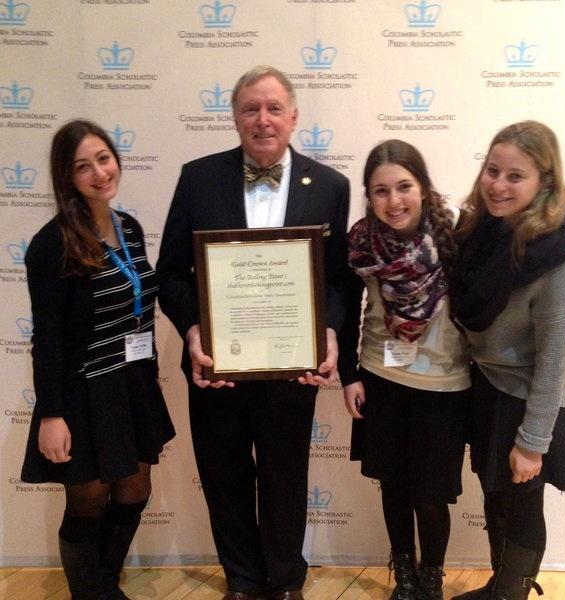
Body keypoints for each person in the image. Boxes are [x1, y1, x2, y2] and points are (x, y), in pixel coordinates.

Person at [156, 65, 350, 600]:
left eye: (273, 109)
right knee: (224, 476)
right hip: (219, 363)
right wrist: (194, 330)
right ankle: (242, 581)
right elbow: (171, 272)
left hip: (294, 365)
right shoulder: (199, 176)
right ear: (235, 116)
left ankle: (286, 582)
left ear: (293, 118)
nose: (262, 120)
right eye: (250, 109)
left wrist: (329, 332)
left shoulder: (331, 185)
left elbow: (337, 281)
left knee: (287, 478)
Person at [21, 119, 175, 600]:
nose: (98, 172)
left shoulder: (128, 227)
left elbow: (140, 308)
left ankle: (103, 584)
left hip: (131, 383)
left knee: (134, 490)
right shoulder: (53, 243)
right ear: (67, 177)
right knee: (88, 499)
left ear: (116, 160)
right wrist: (51, 413)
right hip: (82, 391)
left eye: (103, 159)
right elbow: (46, 337)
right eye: (82, 166)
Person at [449, 120, 565, 600]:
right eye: (493, 170)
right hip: (489, 384)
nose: (498, 185)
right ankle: (498, 586)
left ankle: (511, 593)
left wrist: (532, 441)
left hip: (531, 400)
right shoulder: (482, 234)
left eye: (515, 176)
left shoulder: (558, 260)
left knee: (522, 502)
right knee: (495, 496)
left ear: (544, 182)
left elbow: (553, 361)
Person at [337, 139, 471, 600]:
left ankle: (431, 575)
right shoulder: (361, 242)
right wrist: (348, 373)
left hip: (445, 385)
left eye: (404, 187)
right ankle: (404, 572)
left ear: (422, 185)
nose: (393, 201)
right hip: (382, 378)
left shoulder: (456, 232)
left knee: (431, 496)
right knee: (392, 486)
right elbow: (344, 309)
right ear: (369, 196)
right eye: (380, 191)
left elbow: (500, 288)